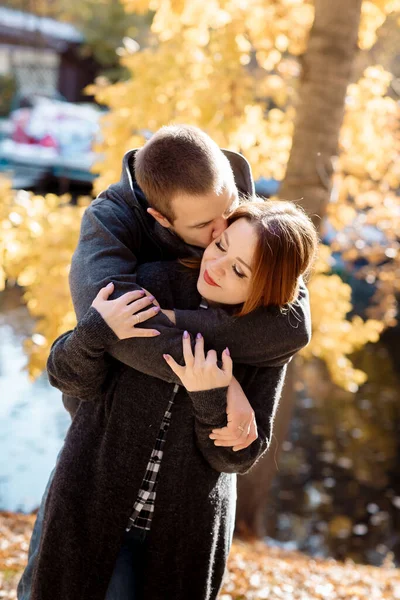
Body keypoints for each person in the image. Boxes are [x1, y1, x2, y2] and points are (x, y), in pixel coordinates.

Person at [18, 125, 311, 600]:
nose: (216, 252)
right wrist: (98, 330)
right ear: (162, 219)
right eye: (213, 242)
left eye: (238, 268)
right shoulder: (145, 275)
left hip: (184, 530)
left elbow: (238, 454)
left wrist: (214, 394)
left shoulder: (266, 321)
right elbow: (68, 373)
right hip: (91, 499)